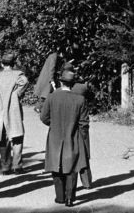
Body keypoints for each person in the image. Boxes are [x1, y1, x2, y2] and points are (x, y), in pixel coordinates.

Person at [39, 68, 89, 207]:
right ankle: (70, 198)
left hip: (55, 135)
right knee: (71, 167)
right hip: (73, 136)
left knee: (56, 166)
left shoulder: (51, 96)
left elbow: (43, 117)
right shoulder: (80, 99)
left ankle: (60, 197)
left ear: (61, 82)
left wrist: (53, 124)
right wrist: (83, 138)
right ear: (73, 84)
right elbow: (84, 123)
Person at [0, 53, 28, 174]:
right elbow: (25, 82)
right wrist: (17, 93)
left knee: (2, 137)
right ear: (13, 64)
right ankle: (17, 166)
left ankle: (5, 166)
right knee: (17, 136)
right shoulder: (18, 74)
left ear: (2, 63)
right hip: (14, 108)